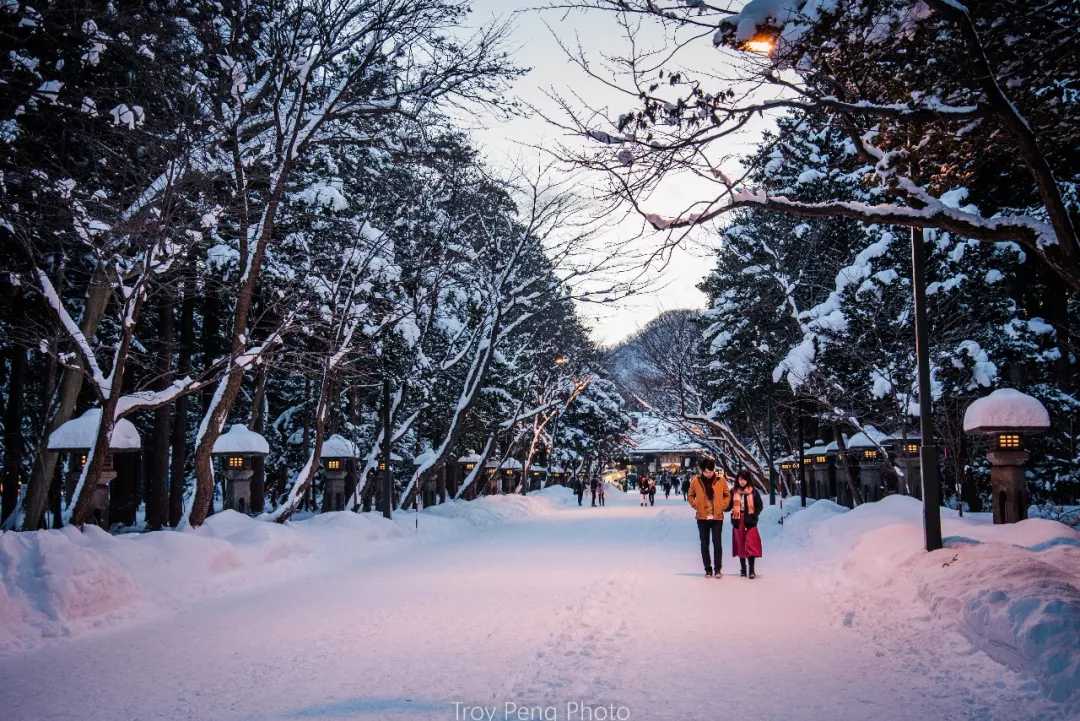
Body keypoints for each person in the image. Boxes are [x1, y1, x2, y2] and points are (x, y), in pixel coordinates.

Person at [687, 459, 731, 577]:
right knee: (704, 544)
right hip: (702, 517)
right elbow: (690, 495)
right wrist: (696, 505)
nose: (709, 474)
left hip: (717, 517)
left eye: (711, 471)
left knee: (717, 543)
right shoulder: (696, 481)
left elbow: (727, 495)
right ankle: (708, 568)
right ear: (702, 470)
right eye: (706, 471)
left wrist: (722, 506)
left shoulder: (720, 480)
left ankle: (717, 569)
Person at [729, 470, 764, 579]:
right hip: (738, 519)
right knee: (740, 544)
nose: (742, 481)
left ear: (748, 480)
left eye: (744, 479)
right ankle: (743, 569)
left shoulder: (753, 492)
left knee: (751, 544)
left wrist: (754, 515)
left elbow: (759, 506)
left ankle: (752, 570)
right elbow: (728, 505)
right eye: (740, 479)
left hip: (750, 520)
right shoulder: (733, 492)